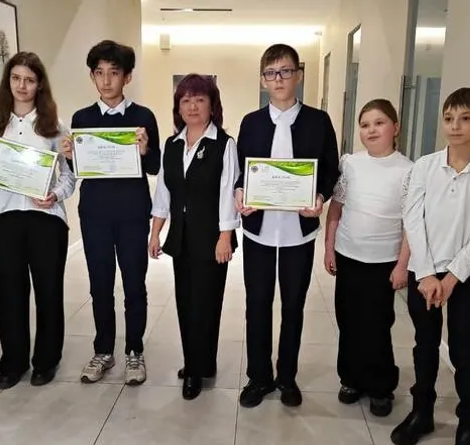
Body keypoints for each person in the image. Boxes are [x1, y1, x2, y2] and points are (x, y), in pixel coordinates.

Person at [391, 87, 470, 445]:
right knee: (424, 344)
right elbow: (413, 219)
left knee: (463, 349)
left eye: (465, 118)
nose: (455, 126)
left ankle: (469, 420)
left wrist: (452, 278)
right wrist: (426, 273)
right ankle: (421, 413)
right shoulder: (424, 166)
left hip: (465, 276)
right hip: (424, 271)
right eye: (449, 118)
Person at [234, 43, 340, 408]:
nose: (278, 79)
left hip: (299, 231)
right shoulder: (251, 123)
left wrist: (321, 197)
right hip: (258, 230)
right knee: (257, 303)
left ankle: (287, 377)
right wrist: (240, 193)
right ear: (263, 80)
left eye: (285, 71)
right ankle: (258, 377)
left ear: (298, 75)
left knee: (294, 305)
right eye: (270, 73)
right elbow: (241, 172)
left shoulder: (318, 121)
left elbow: (330, 169)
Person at [60, 40, 160, 386]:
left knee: (134, 285)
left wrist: (145, 151)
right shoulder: (82, 119)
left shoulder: (143, 117)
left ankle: (135, 350)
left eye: (114, 73)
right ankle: (103, 350)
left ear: (127, 77)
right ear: (92, 76)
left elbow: (156, 166)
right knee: (99, 285)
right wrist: (70, 156)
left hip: (133, 213)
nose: (106, 80)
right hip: (95, 214)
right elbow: (78, 171)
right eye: (99, 72)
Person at [0, 52, 75, 390]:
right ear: (8, 82)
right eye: (16, 78)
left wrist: (54, 196)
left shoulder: (55, 126)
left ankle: (46, 361)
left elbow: (69, 178)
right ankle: (12, 363)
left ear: (39, 85)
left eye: (29, 80)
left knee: (49, 292)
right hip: (4, 218)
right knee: (9, 293)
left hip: (46, 219)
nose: (22, 86)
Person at [148, 74, 239, 400]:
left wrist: (225, 236)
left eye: (200, 99)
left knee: (206, 304)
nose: (192, 106)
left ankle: (198, 368)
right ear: (178, 107)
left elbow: (228, 192)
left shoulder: (224, 144)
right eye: (185, 100)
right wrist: (155, 233)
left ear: (212, 105)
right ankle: (196, 362)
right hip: (181, 238)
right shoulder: (172, 145)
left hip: (212, 239)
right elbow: (163, 193)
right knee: (186, 302)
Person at [323, 99, 412, 417]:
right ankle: (351, 379)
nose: (371, 130)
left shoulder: (408, 170)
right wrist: (329, 247)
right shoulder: (351, 163)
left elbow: (411, 224)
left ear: (395, 128)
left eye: (379, 123)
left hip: (383, 261)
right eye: (364, 125)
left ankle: (379, 386)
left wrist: (402, 265)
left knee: (376, 324)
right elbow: (336, 208)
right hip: (348, 255)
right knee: (348, 320)